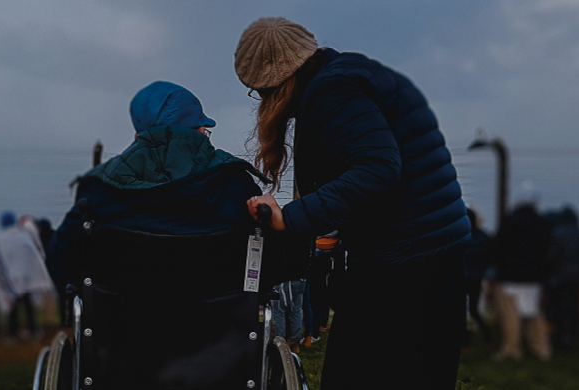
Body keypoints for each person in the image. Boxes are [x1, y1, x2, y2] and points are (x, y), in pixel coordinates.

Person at [237, 17, 471, 389]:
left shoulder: (333, 91)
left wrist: (290, 217)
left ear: (277, 84)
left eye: (261, 93)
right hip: (433, 248)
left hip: (402, 261)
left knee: (357, 374)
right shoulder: (351, 73)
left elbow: (377, 170)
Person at [45, 80, 282, 306]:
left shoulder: (97, 188)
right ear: (201, 130)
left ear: (138, 135)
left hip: (119, 335)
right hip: (220, 335)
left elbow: (60, 265)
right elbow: (272, 264)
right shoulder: (237, 184)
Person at [489, 183, 553, 361]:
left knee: (511, 315)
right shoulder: (542, 223)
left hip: (510, 276)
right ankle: (541, 348)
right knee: (534, 313)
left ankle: (512, 349)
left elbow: (498, 247)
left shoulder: (509, 221)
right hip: (534, 277)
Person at [0, 211, 56, 340]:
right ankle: (34, 332)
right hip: (28, 276)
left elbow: (0, 261)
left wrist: (3, 279)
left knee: (13, 307)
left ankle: (12, 333)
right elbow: (35, 253)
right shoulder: (23, 235)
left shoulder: (1, 239)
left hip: (12, 277)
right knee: (28, 305)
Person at [546, 206, 579, 349]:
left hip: (559, 277)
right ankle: (572, 335)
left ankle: (560, 336)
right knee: (573, 306)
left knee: (559, 307)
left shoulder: (557, 233)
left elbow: (551, 257)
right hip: (577, 277)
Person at [463, 208, 494, 352]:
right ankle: (489, 339)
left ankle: (466, 343)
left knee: (461, 310)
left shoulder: (459, 235)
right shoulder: (483, 236)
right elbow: (489, 256)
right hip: (476, 277)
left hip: (462, 277)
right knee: (474, 310)